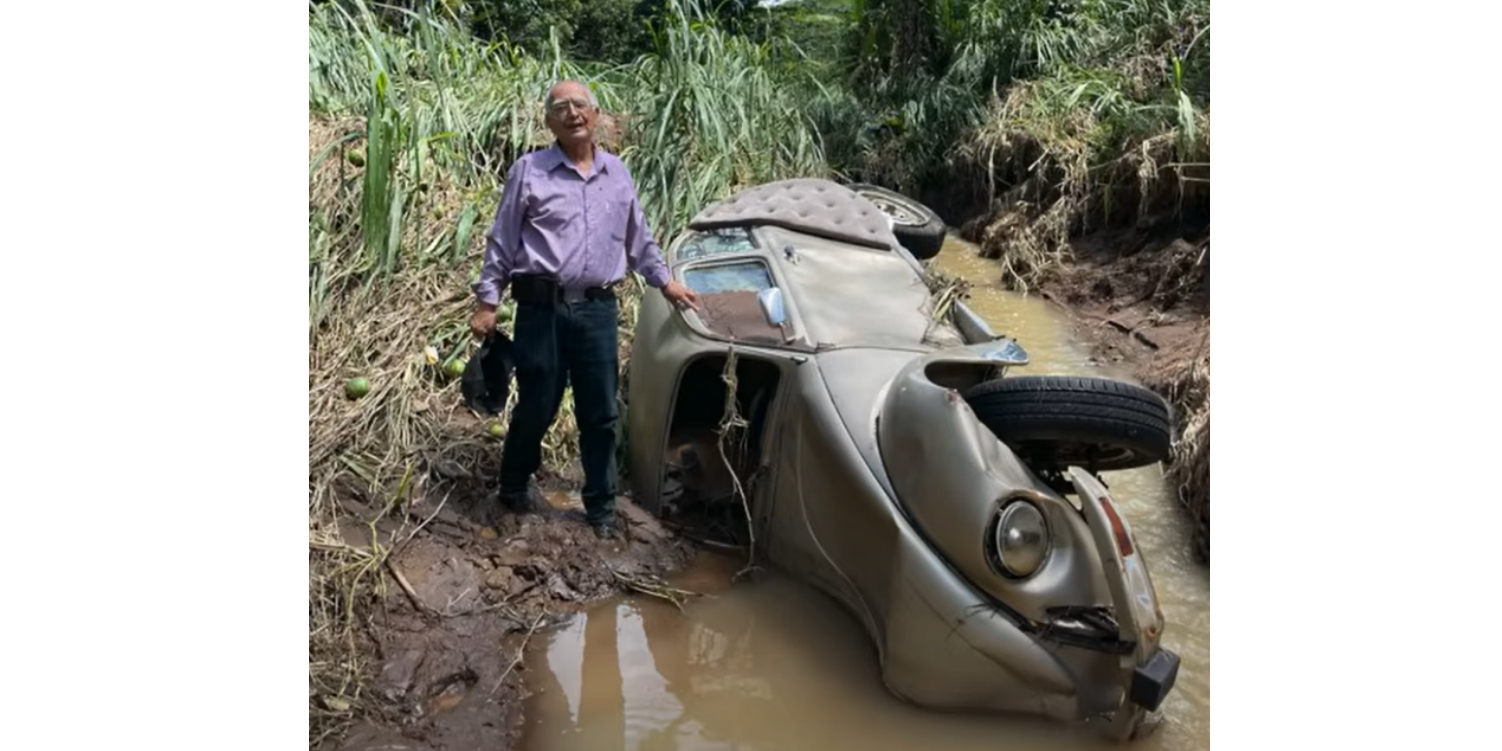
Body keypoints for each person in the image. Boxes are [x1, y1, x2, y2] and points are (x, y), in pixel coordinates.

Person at [470, 80, 700, 540]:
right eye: (561, 107)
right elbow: (503, 238)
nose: (572, 113)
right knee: (538, 403)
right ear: (549, 121)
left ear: (597, 116)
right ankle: (513, 486)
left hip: (597, 311)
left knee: (600, 413)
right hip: (542, 309)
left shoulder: (618, 175)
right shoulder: (529, 171)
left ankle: (600, 510)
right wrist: (487, 299)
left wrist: (666, 282)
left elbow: (640, 239)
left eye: (580, 105)